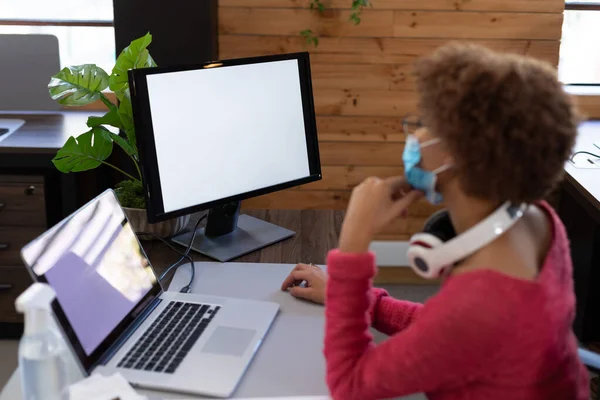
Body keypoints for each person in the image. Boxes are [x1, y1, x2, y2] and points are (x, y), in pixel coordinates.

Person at [281, 43, 589, 400]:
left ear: (455, 154)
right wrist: (363, 302)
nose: (416, 135)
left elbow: (350, 384)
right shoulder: (538, 219)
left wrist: (352, 245)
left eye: (426, 125)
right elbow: (449, 331)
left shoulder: (479, 303)